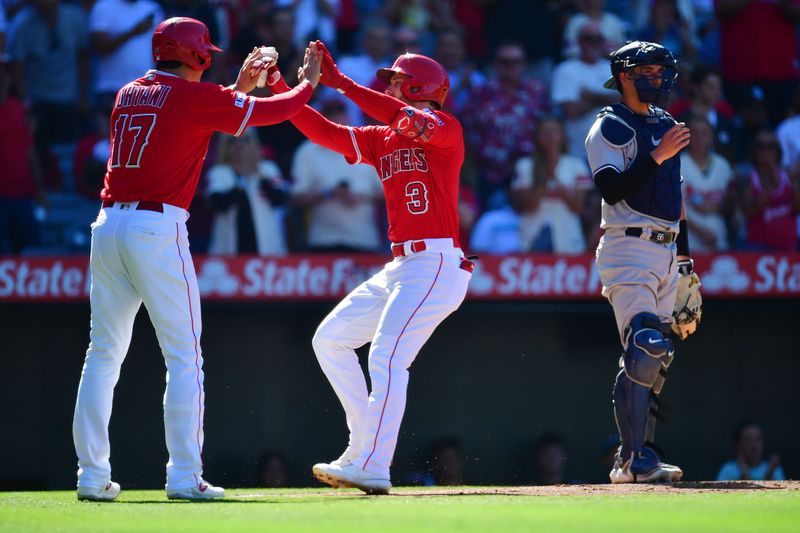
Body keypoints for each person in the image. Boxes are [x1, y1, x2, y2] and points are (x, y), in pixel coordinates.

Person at [71, 16, 320, 502]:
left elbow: (187, 110)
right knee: (184, 357)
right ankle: (185, 474)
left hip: (108, 225)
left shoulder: (127, 92)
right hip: (155, 228)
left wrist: (236, 88)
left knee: (101, 355)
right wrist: (306, 82)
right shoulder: (195, 97)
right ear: (195, 55)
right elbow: (273, 112)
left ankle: (90, 475)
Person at [267, 42, 472, 495]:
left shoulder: (444, 126)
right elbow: (323, 133)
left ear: (420, 86)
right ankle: (361, 448)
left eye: (397, 80)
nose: (390, 85)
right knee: (331, 340)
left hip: (436, 262)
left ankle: (375, 466)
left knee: (386, 356)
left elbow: (410, 121)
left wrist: (342, 83)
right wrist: (285, 88)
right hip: (403, 265)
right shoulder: (384, 137)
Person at [585, 41, 701, 483]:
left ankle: (634, 455)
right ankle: (635, 460)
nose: (661, 78)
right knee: (646, 344)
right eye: (651, 70)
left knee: (659, 356)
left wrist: (686, 261)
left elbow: (676, 198)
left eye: (663, 70)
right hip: (627, 244)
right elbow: (611, 189)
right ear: (626, 75)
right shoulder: (609, 125)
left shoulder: (667, 123)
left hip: (667, 247)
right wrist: (659, 153)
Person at [290, 97, 384, 253]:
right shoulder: (307, 151)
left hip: (364, 241)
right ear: (322, 117)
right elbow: (296, 198)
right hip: (323, 242)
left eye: (340, 113)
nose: (336, 118)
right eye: (330, 114)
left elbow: (389, 192)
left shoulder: (364, 145)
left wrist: (362, 197)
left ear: (347, 116)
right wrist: (328, 194)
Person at [463, 42, 548, 210]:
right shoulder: (481, 92)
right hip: (490, 173)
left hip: (529, 172)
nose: (511, 67)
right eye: (505, 62)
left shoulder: (537, 90)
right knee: (490, 225)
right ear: (495, 64)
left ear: (524, 64)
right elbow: (469, 129)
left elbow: (547, 127)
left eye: (516, 62)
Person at [511, 116, 593, 254]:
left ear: (562, 136)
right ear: (537, 137)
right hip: (531, 237)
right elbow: (529, 207)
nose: (549, 137)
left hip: (568, 238)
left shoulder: (577, 165)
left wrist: (556, 182)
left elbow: (579, 208)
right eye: (544, 132)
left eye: (554, 131)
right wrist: (543, 183)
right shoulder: (524, 166)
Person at [206, 128, 289, 256]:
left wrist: (258, 173)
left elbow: (280, 199)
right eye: (233, 141)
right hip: (229, 250)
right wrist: (243, 179)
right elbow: (218, 204)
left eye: (245, 140)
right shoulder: (219, 172)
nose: (239, 145)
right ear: (225, 147)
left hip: (267, 248)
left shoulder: (268, 169)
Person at [551, 21, 618, 159]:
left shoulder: (613, 68)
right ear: (579, 41)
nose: (594, 43)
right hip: (579, 151)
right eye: (589, 38)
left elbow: (623, 102)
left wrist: (589, 95)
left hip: (612, 150)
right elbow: (572, 111)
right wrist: (607, 98)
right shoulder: (566, 70)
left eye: (598, 39)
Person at [0, 53, 45, 254]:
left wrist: (40, 188)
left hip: (23, 195)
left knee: (29, 251)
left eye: (4, 74)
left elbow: (29, 150)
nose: (2, 78)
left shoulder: (19, 110)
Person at [88, 0, 163, 107]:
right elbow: (100, 47)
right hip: (110, 88)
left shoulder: (152, 8)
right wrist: (133, 32)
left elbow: (159, 50)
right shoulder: (104, 6)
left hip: (144, 90)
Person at [737, 130, 800, 251]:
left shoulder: (789, 176)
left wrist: (795, 183)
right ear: (754, 151)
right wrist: (773, 186)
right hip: (757, 248)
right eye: (761, 147)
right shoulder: (746, 178)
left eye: (771, 147)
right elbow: (749, 212)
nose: (766, 151)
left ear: (778, 151)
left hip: (789, 247)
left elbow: (797, 209)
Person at [680, 114, 735, 252]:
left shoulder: (723, 165)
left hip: (719, 241)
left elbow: (732, 204)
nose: (699, 137)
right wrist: (701, 232)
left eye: (704, 132)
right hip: (688, 244)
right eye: (695, 133)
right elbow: (673, 208)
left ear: (711, 137)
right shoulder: (678, 164)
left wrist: (717, 208)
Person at [716, 421, 786, 481]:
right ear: (738, 445)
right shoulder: (728, 470)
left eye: (758, 439)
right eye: (748, 440)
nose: (754, 445)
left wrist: (770, 473)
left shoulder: (775, 469)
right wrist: (744, 474)